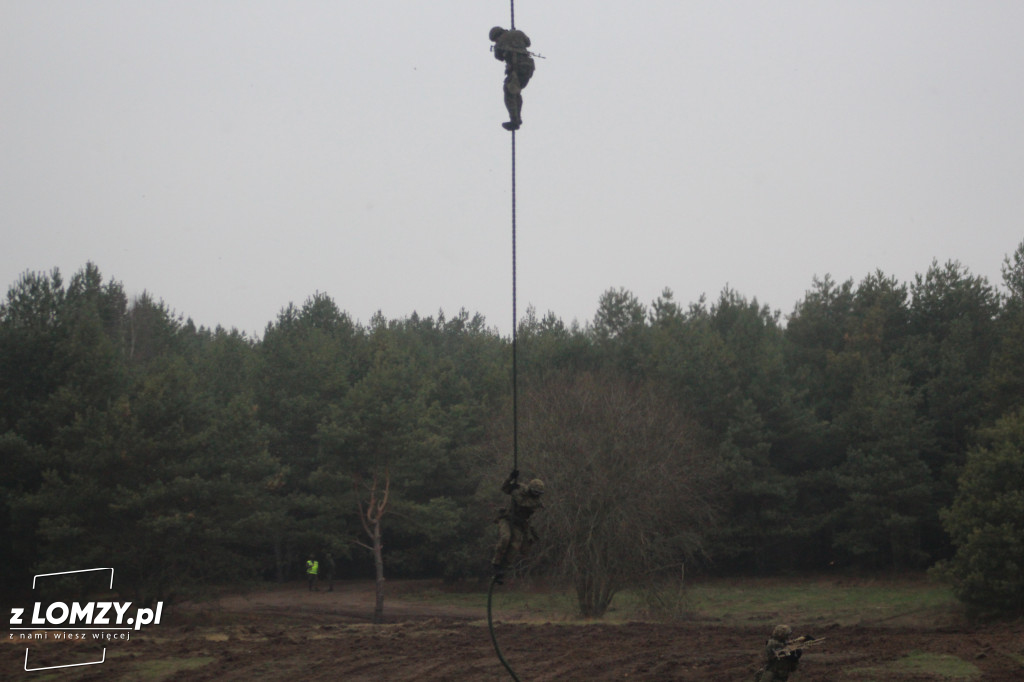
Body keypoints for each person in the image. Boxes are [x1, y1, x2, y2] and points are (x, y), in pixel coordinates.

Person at [491, 469, 544, 583]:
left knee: (515, 545)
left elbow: (523, 503)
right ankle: (496, 564)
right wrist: (510, 478)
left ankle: (503, 569)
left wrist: (514, 491)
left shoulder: (536, 502)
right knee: (506, 538)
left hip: (519, 523)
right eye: (534, 492)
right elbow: (504, 488)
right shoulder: (520, 488)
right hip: (507, 518)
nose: (536, 495)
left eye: (538, 494)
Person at [489, 26, 535, 131]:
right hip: (528, 68)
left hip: (516, 68)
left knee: (509, 92)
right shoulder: (519, 33)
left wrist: (500, 46)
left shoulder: (499, 42)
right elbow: (528, 43)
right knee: (516, 92)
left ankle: (515, 120)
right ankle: (517, 118)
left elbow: (499, 57)